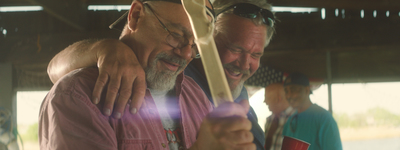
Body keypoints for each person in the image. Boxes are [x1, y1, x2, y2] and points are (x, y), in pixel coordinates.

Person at [46, 0, 276, 149]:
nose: (186, 53)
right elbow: (55, 68)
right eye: (175, 34)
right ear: (136, 16)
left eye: (195, 45)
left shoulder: (195, 96)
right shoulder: (80, 96)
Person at [282, 72, 342, 150]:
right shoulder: (290, 120)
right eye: (286, 91)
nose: (289, 95)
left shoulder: (324, 119)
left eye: (293, 90)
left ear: (307, 90)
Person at [263, 83, 295, 150]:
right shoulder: (270, 119)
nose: (264, 101)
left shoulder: (297, 120)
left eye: (268, 98)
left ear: (278, 99)